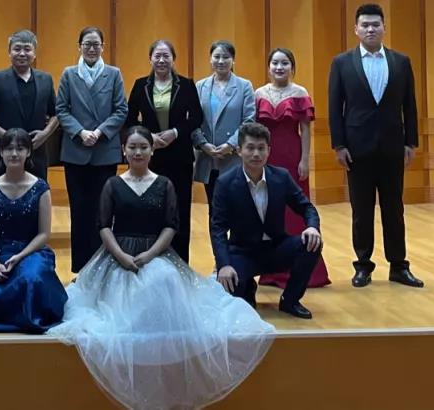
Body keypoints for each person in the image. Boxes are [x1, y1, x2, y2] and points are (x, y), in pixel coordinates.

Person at [51, 126, 274, 410]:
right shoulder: (113, 184)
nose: (138, 152)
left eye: (143, 147)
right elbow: (104, 226)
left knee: (163, 280)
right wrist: (121, 256)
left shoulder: (164, 184)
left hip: (156, 251)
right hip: (118, 253)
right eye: (132, 147)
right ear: (123, 151)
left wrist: (149, 255)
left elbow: (171, 226)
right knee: (119, 297)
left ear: (152, 150)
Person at [328, 2, 423, 288]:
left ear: (384, 28)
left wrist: (411, 142)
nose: (370, 29)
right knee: (362, 210)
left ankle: (398, 266)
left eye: (375, 24)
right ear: (356, 29)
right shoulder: (342, 63)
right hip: (356, 150)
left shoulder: (401, 61)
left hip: (393, 147)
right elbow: (335, 107)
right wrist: (339, 145)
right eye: (365, 25)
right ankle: (363, 265)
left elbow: (410, 105)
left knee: (394, 209)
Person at [210, 122, 325, 320]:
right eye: (250, 148)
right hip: (243, 251)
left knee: (312, 244)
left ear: (269, 151)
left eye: (261, 148)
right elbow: (218, 228)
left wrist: (313, 227)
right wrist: (223, 264)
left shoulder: (281, 177)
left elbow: (307, 208)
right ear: (239, 151)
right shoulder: (225, 183)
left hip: (276, 248)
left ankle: (290, 300)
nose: (256, 154)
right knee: (234, 294)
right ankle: (247, 286)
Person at [0, 128, 68, 333]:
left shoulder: (41, 187)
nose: (14, 154)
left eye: (20, 149)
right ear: (1, 152)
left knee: (30, 278)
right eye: (9, 149)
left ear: (28, 152)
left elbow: (44, 234)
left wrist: (20, 257)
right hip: (0, 251)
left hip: (32, 250)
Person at [254, 47, 329, 289]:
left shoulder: (300, 92)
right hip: (266, 156)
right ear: (268, 67)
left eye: (284, 63)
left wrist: (305, 159)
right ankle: (272, 270)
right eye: (275, 63)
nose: (279, 67)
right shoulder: (258, 93)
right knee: (269, 209)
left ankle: (305, 268)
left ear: (292, 67)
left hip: (292, 155)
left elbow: (305, 129)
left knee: (295, 209)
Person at [56, 26, 128, 273]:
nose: (91, 48)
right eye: (87, 44)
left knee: (103, 211)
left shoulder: (113, 74)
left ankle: (101, 268)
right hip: (76, 152)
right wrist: (80, 132)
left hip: (104, 151)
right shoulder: (69, 74)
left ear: (103, 47)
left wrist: (99, 132)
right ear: (79, 47)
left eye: (96, 44)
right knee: (79, 211)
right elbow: (61, 109)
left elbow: (121, 109)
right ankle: (80, 269)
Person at [126, 39, 204, 264]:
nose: (161, 60)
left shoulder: (186, 85)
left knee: (180, 209)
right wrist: (148, 137)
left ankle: (180, 264)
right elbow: (130, 119)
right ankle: (152, 260)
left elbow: (197, 117)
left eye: (166, 56)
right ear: (150, 59)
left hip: (180, 157)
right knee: (151, 209)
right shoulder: (141, 85)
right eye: (157, 56)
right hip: (149, 157)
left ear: (173, 59)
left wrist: (176, 132)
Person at [0, 29, 59, 181]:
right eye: (17, 49)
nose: (22, 53)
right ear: (9, 52)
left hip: (37, 153)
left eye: (27, 49)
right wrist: (6, 136)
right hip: (6, 154)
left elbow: (56, 113)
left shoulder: (46, 79)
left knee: (38, 193)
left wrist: (45, 134)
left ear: (34, 54)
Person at [194, 40, 255, 205]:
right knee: (214, 207)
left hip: (233, 156)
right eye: (216, 57)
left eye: (226, 57)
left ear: (233, 60)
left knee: (236, 207)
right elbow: (192, 120)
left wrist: (230, 144)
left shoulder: (244, 86)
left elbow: (249, 120)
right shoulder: (200, 86)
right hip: (208, 156)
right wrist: (203, 144)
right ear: (210, 59)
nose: (221, 61)